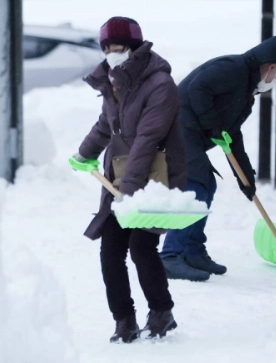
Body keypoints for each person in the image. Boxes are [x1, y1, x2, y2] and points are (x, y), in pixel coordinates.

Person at [69, 17, 187, 343]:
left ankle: (161, 312)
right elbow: (106, 125)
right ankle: (124, 321)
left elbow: (148, 140)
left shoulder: (160, 84)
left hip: (155, 177)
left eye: (117, 47)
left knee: (141, 246)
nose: (110, 53)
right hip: (121, 177)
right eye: (105, 48)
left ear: (134, 47)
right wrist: (83, 154)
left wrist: (129, 192)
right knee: (111, 251)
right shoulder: (114, 83)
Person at [160, 36, 276, 282]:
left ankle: (192, 250)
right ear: (272, 67)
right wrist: (213, 126)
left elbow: (232, 135)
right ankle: (170, 255)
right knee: (196, 184)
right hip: (176, 125)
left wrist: (246, 178)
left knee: (207, 185)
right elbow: (198, 87)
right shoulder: (233, 69)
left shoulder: (246, 94)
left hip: (189, 131)